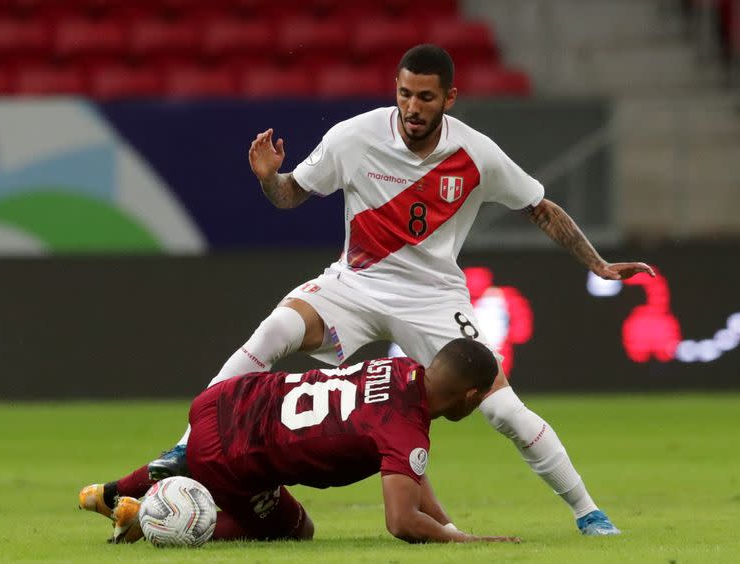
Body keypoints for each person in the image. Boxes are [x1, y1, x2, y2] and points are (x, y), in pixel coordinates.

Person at [150, 44, 654, 536]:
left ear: (449, 99)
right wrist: (268, 179)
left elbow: (540, 207)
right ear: (396, 89)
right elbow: (289, 195)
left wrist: (600, 265)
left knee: (503, 409)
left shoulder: (476, 154)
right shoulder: (353, 137)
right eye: (406, 94)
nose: (413, 108)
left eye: (426, 98)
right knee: (277, 327)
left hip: (433, 297)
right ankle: (187, 444)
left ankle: (588, 513)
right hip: (354, 284)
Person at [80, 339, 521, 544]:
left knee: (209, 455)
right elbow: (401, 521)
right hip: (233, 455)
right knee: (296, 529)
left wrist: (447, 526)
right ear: (468, 396)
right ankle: (151, 520)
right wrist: (464, 541)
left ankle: (112, 492)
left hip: (228, 397)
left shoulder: (402, 368)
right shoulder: (404, 428)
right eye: (483, 396)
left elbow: (409, 470)